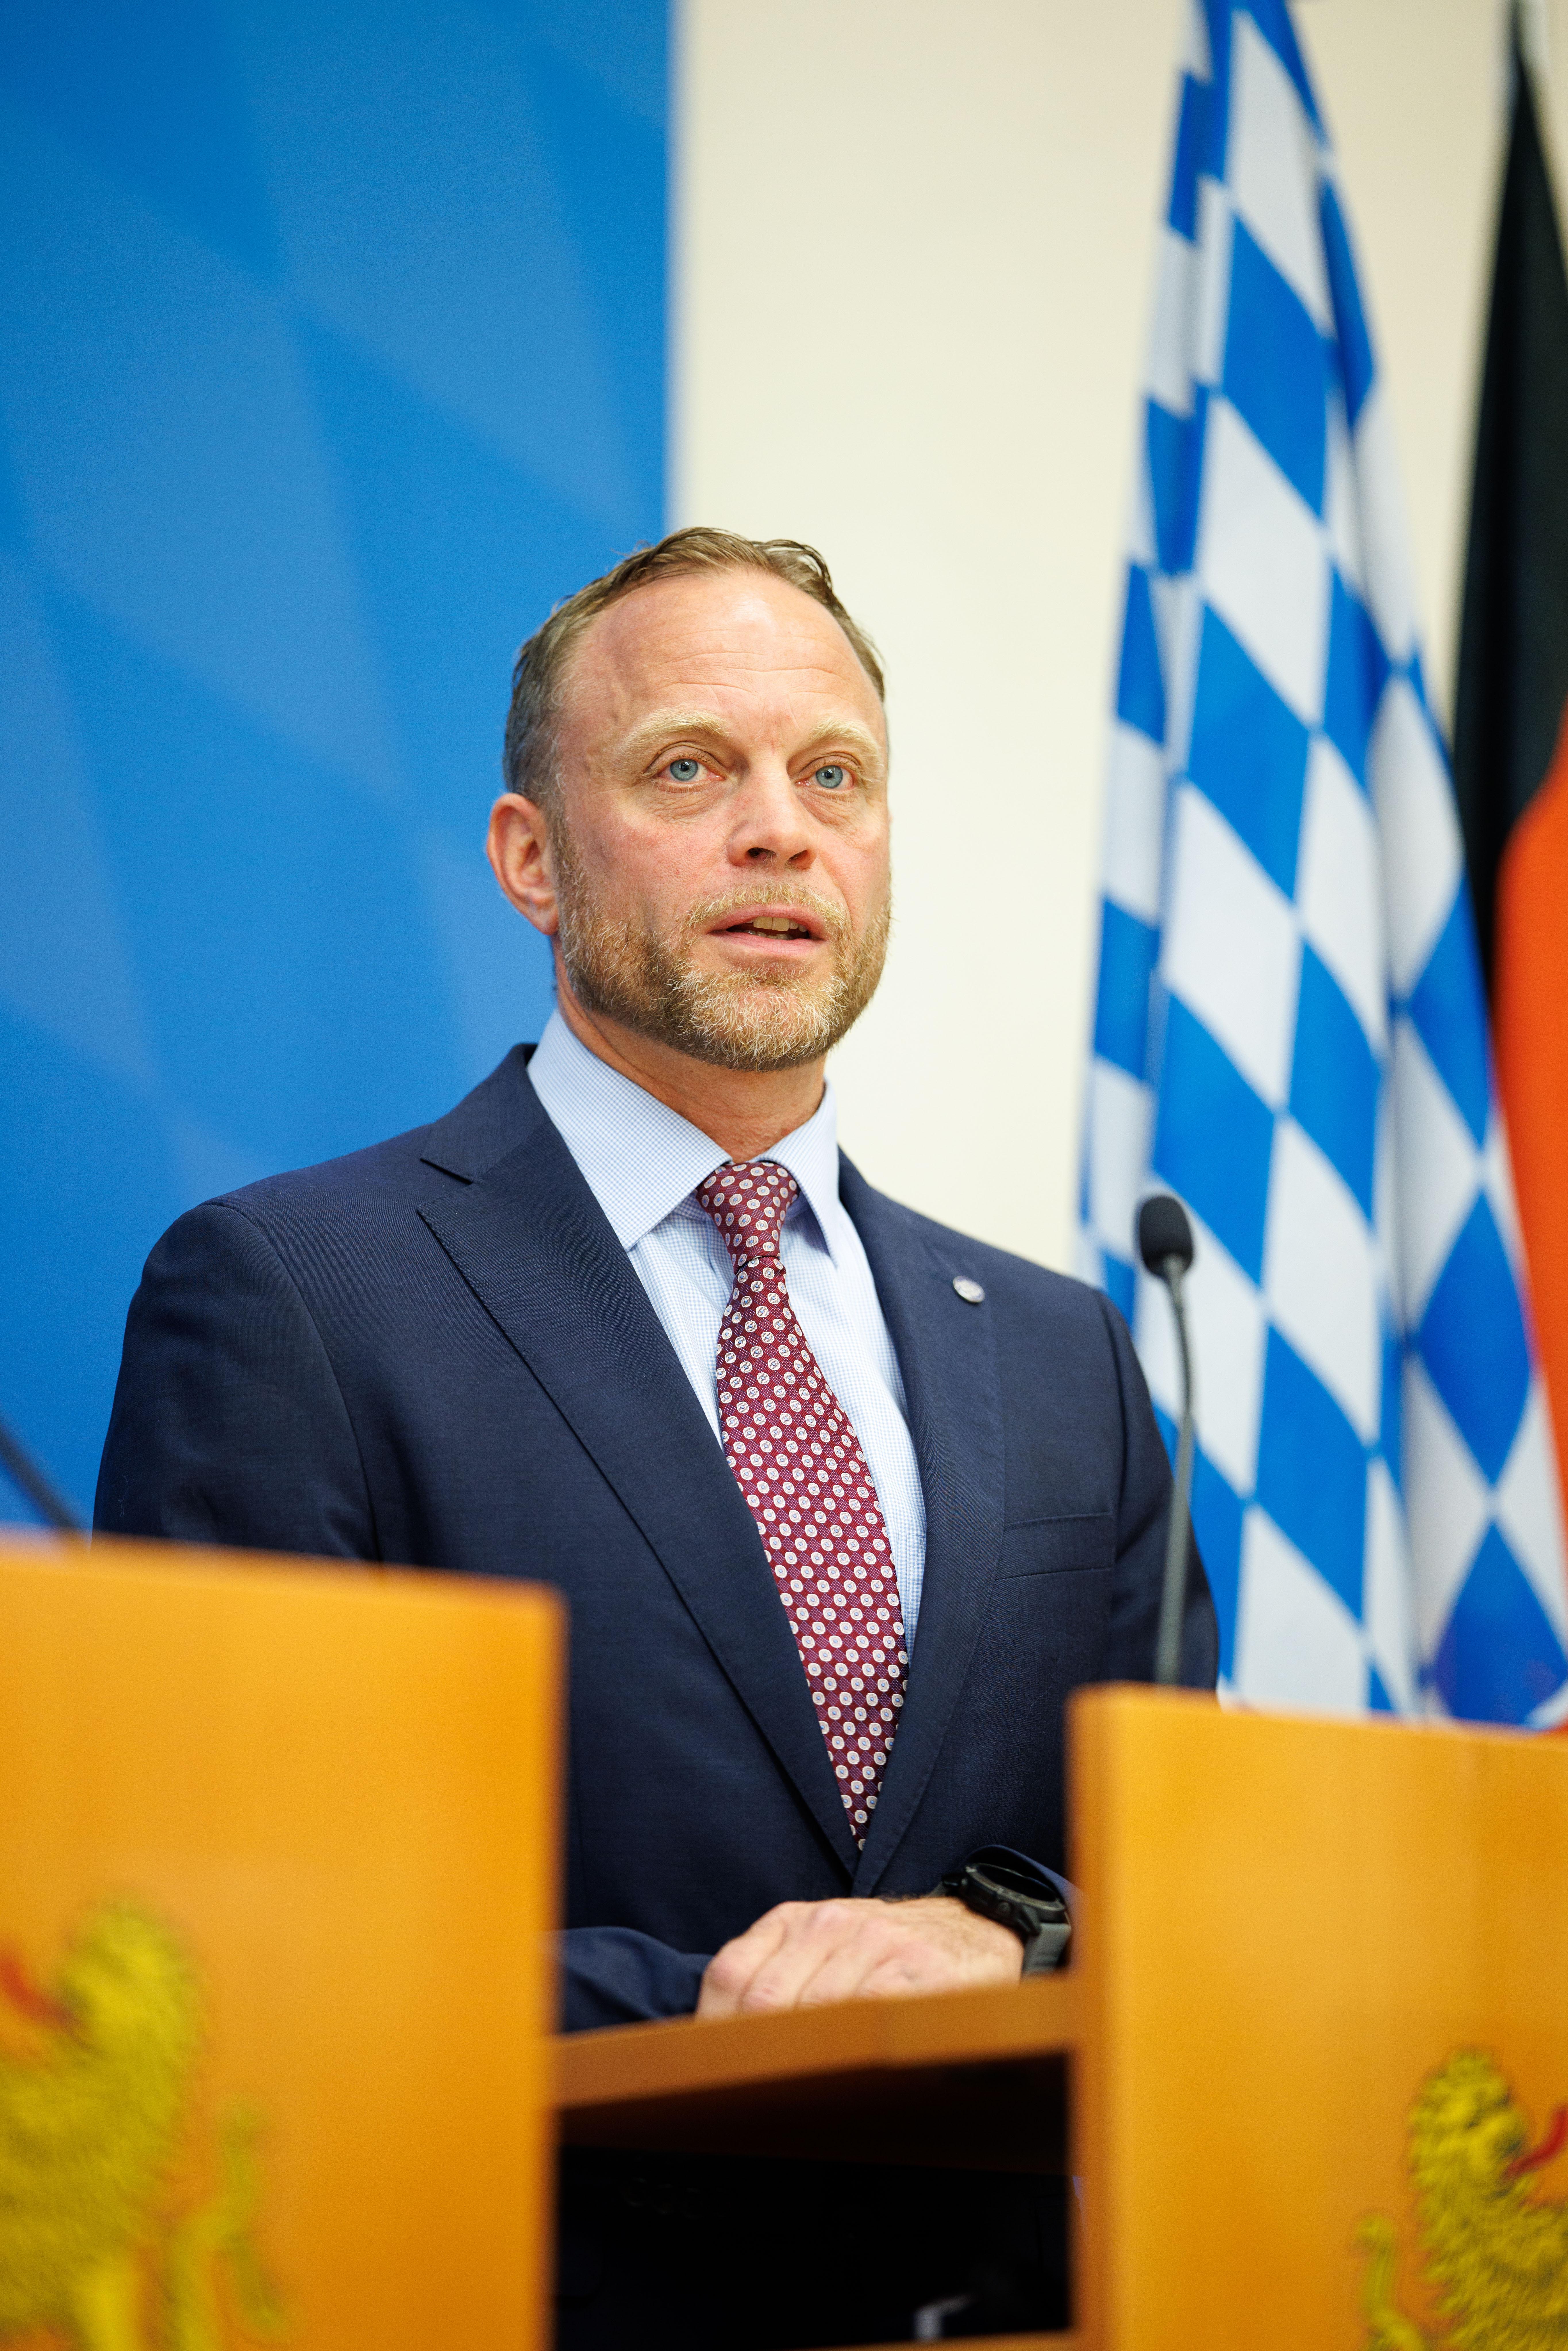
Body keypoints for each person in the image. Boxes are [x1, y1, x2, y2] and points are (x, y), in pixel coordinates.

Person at [96, 528, 1216, 2344]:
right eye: (689, 768)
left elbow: (1179, 1865)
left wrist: (1010, 1935)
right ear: (531, 858)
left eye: (832, 775)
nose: (779, 829)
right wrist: (732, 1995)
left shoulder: (1063, 1350)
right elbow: (231, 1908)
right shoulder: (294, 1295)